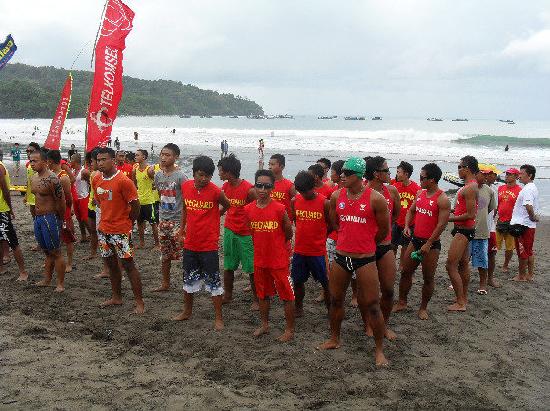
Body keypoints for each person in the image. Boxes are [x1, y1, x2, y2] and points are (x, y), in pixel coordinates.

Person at [317, 157, 389, 367]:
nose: (341, 176)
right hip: (341, 257)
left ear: (358, 176)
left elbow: (384, 230)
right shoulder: (337, 195)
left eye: (346, 173)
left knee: (373, 305)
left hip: (365, 259)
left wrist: (365, 242)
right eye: (342, 173)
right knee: (336, 300)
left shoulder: (375, 199)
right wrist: (347, 238)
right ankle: (334, 338)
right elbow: (334, 222)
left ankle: (379, 350)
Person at [173, 156, 230, 330]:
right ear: (194, 173)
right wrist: (182, 231)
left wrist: (216, 215)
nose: (204, 179)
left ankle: (218, 318)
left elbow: (226, 205)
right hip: (190, 242)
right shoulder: (186, 187)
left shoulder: (215, 191)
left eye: (208, 176)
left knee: (213, 281)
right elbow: (185, 209)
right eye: (201, 175)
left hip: (209, 245)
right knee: (188, 279)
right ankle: (187, 311)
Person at [393, 163, 450, 319]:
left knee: (428, 277)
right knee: (405, 272)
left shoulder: (442, 199)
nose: (419, 180)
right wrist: (406, 226)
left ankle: (423, 307)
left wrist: (428, 243)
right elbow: (411, 211)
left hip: (431, 244)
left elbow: (442, 224)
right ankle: (402, 302)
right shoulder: (420, 194)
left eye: (422, 177)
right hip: (415, 239)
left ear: (432, 179)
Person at [244, 169, 295, 341]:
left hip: (279, 261)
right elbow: (252, 232)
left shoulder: (280, 209)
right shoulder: (248, 209)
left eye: (267, 186)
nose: (263, 190)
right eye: (259, 186)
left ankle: (289, 330)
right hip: (260, 260)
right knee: (262, 295)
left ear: (272, 187)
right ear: (255, 186)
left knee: (287, 295)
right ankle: (265, 325)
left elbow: (288, 233)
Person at [94, 147, 144, 314]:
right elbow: (99, 202)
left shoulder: (124, 181)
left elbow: (136, 206)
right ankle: (116, 297)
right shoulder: (96, 179)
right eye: (98, 160)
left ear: (113, 160)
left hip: (121, 230)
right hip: (103, 229)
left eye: (104, 160)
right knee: (111, 264)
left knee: (129, 265)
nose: (100, 163)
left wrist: (129, 222)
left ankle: (139, 302)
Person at [364, 156, 400, 340]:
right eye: (386, 170)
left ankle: (383, 325)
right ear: (376, 174)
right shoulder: (362, 192)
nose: (390, 173)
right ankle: (368, 324)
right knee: (367, 293)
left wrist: (382, 232)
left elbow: (395, 216)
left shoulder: (392, 191)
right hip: (365, 248)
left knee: (388, 289)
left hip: (385, 246)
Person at [217, 154, 257, 308]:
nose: (219, 173)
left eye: (221, 171)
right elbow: (223, 207)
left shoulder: (249, 189)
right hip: (229, 230)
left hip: (246, 234)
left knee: (251, 268)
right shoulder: (225, 187)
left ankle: (256, 298)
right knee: (228, 265)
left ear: (229, 172)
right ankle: (228, 295)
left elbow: (257, 210)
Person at [291, 171, 332, 316]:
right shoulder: (295, 201)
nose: (304, 194)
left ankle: (330, 310)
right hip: (300, 250)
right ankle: (299, 307)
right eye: (300, 191)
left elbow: (331, 224)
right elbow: (295, 220)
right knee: (297, 281)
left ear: (314, 186)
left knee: (326, 283)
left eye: (306, 191)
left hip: (318, 251)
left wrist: (321, 237)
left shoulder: (325, 203)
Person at [29, 149, 67, 292]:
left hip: (50, 217)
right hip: (38, 218)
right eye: (30, 160)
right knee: (46, 251)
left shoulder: (52, 179)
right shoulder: (33, 178)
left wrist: (60, 219)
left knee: (56, 252)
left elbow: (61, 201)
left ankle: (60, 284)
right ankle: (47, 279)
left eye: (35, 161)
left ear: (45, 162)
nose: (32, 163)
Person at [446, 155, 479, 312]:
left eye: (460, 167)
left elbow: (471, 214)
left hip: (464, 230)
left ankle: (460, 302)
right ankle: (463, 298)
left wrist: (448, 218)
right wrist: (451, 211)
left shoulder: (470, 187)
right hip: (464, 229)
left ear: (467, 168)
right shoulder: (468, 186)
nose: (458, 170)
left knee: (450, 264)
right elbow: (463, 210)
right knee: (463, 264)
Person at [153, 143, 187, 291]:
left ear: (176, 157)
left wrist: (184, 225)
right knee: (165, 254)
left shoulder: (181, 176)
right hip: (163, 220)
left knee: (185, 253)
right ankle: (165, 283)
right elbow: (161, 194)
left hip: (178, 220)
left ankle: (189, 284)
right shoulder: (158, 175)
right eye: (162, 154)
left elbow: (186, 201)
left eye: (168, 155)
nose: (163, 157)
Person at [47, 150, 76, 273]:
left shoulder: (63, 177)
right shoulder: (51, 174)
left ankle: (69, 263)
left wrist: (67, 212)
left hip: (64, 211)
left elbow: (69, 198)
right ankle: (54, 260)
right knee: (54, 238)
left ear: (50, 161)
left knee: (68, 238)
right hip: (53, 211)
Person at [510, 164, 539, 282]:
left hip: (524, 225)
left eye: (521, 174)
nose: (519, 175)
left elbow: (528, 205)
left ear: (530, 175)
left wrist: (532, 217)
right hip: (527, 225)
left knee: (522, 252)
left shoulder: (528, 189)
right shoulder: (531, 187)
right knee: (528, 250)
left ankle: (521, 276)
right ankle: (530, 275)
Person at [0, 157, 28, 280]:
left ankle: (23, 271)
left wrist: (10, 209)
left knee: (12, 241)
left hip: (2, 209)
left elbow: (6, 190)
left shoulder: (0, 167)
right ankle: (1, 267)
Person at [471, 166, 496, 295]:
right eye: (483, 174)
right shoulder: (466, 189)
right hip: (466, 229)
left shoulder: (490, 191)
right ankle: (455, 282)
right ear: (476, 174)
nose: (486, 177)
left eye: (488, 175)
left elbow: (491, 209)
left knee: (482, 260)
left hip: (481, 230)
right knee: (462, 259)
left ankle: (482, 285)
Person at [391, 161, 420, 270]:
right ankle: (391, 266)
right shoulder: (395, 186)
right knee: (392, 245)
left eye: (399, 172)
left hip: (409, 224)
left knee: (405, 247)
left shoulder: (416, 189)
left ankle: (402, 267)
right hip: (396, 222)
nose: (397, 174)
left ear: (406, 174)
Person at [131, 149, 160, 249]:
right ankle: (142, 243)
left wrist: (154, 186)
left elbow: (157, 181)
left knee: (153, 223)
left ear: (143, 157)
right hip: (140, 201)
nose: (135, 157)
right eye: (135, 155)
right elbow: (134, 184)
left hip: (149, 201)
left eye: (137, 155)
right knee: (139, 223)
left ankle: (157, 244)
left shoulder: (149, 170)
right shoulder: (135, 170)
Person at [495, 168, 522, 273]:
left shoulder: (519, 190)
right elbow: (497, 204)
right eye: (506, 174)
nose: (507, 176)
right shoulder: (501, 188)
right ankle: (489, 262)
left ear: (516, 176)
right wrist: (494, 215)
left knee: (509, 247)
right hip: (500, 221)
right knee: (494, 245)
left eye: (510, 174)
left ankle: (505, 265)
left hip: (512, 223)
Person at [268, 154, 296, 218]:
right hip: (269, 222)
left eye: (272, 164)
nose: (269, 167)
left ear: (282, 167)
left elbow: (296, 204)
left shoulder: (290, 186)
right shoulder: (265, 184)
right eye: (269, 164)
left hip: (284, 222)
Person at [71, 153, 91, 243]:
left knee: (85, 219)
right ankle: (83, 236)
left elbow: (91, 184)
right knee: (79, 218)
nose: (69, 161)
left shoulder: (84, 172)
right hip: (76, 198)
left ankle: (92, 235)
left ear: (75, 161)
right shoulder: (72, 171)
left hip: (84, 197)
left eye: (71, 160)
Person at [24, 143, 41, 219]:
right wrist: (26, 195)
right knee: (34, 216)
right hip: (31, 196)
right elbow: (29, 180)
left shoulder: (41, 164)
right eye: (27, 151)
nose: (28, 153)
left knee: (40, 217)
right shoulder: (28, 165)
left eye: (31, 151)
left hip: (39, 196)